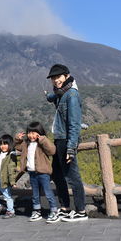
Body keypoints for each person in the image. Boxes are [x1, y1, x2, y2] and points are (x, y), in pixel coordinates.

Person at [45, 64, 88, 222]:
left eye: (58, 77)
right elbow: (53, 96)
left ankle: (81, 211)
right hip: (59, 139)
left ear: (66, 76)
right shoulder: (61, 93)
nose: (56, 80)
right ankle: (65, 207)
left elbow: (74, 123)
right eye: (53, 78)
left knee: (72, 176)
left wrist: (71, 148)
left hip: (66, 140)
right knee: (56, 174)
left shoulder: (71, 95)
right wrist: (48, 96)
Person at [14, 122, 60, 223]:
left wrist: (43, 139)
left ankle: (54, 211)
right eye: (29, 133)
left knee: (48, 193)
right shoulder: (26, 144)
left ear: (39, 133)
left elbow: (52, 151)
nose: (31, 135)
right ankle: (37, 211)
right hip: (32, 173)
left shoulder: (42, 143)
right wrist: (18, 139)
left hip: (43, 173)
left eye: (34, 133)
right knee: (35, 194)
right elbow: (17, 146)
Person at [0, 134, 18, 219]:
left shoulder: (11, 155)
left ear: (10, 145)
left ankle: (11, 211)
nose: (3, 146)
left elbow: (11, 170)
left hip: (4, 180)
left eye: (5, 144)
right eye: (1, 144)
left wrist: (13, 182)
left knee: (7, 196)